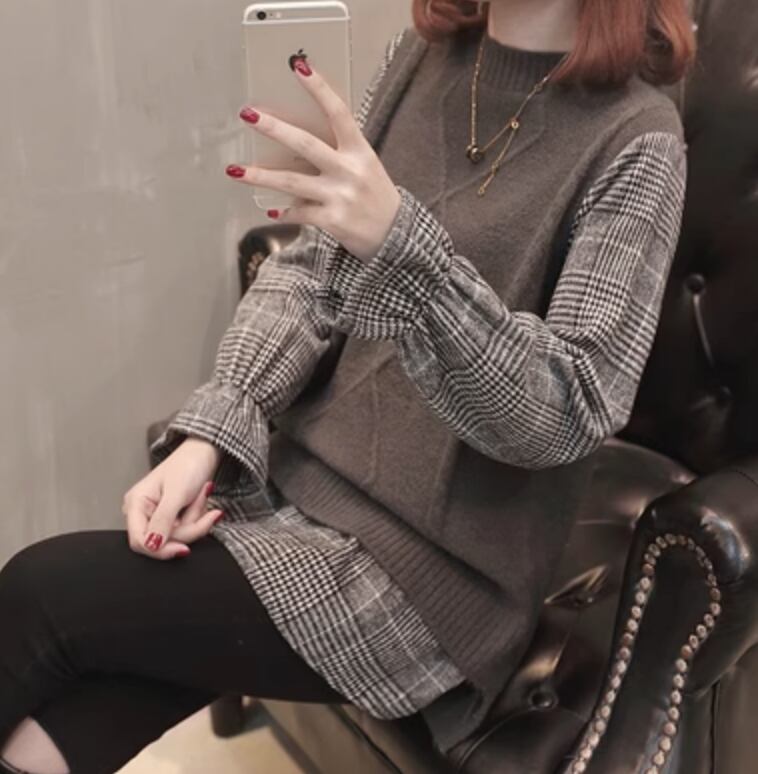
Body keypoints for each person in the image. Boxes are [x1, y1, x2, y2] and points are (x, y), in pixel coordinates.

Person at [0, 0, 696, 772]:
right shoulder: (420, 62)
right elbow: (309, 273)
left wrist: (407, 252)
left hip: (430, 573)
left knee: (42, 593)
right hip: (295, 482)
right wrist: (213, 431)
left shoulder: (639, 137)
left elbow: (571, 408)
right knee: (65, 719)